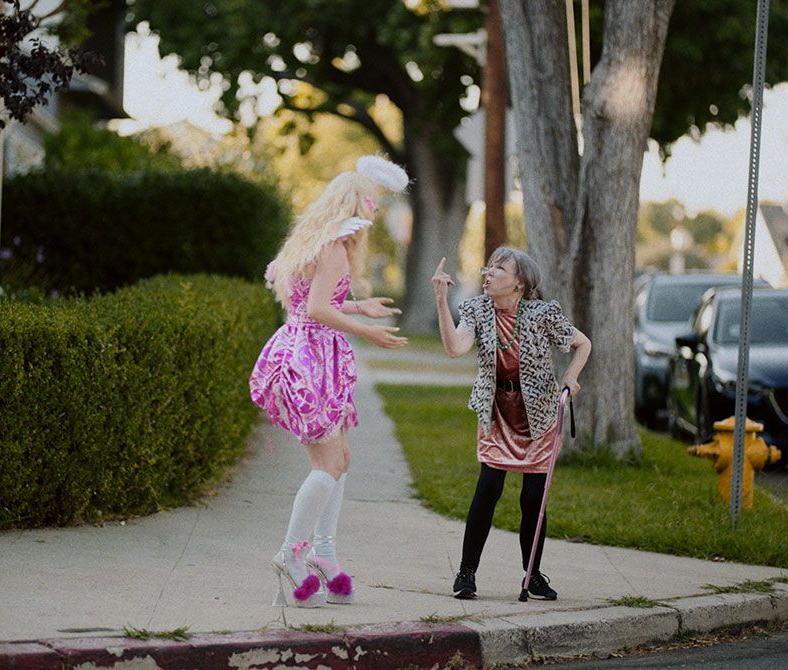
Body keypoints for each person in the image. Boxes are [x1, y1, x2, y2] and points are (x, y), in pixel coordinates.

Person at [249, 156, 409, 608]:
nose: (375, 213)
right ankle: (291, 553)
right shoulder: (334, 248)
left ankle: (323, 553)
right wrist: (368, 332)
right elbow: (319, 310)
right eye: (370, 203)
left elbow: (312, 302)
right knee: (328, 464)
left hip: (305, 352)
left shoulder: (315, 243)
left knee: (339, 458)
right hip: (311, 361)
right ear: (352, 205)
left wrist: (360, 307)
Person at [432, 247, 592, 600]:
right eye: (487, 267)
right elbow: (455, 348)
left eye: (498, 269)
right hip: (498, 412)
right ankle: (466, 573)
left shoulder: (541, 314)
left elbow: (583, 344)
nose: (488, 273)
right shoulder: (477, 309)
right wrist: (442, 302)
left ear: (519, 283)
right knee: (488, 488)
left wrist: (571, 377)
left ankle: (532, 575)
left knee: (533, 498)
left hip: (539, 415)